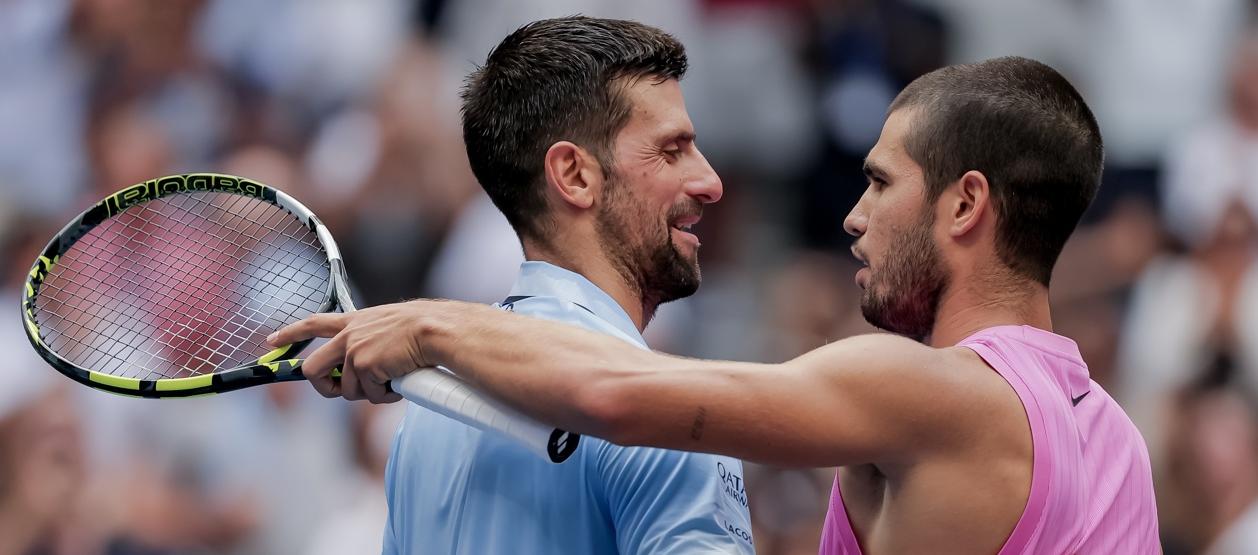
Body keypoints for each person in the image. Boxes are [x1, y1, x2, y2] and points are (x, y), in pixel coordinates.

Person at [274, 56, 1160, 553]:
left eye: (881, 183)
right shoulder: (1119, 442)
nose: (853, 216)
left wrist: (427, 324)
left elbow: (622, 399)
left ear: (965, 205)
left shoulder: (926, 388)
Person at [317, 16, 753, 554]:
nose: (710, 182)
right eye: (671, 150)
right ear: (574, 175)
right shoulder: (667, 407)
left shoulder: (424, 418)